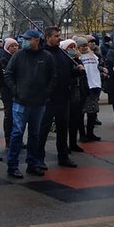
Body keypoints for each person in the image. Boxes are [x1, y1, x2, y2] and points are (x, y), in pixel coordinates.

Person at [4, 29, 56, 178]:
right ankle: (12, 165)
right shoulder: (18, 56)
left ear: (36, 40)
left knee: (35, 134)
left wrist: (46, 92)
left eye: (27, 39)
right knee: (17, 133)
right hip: (20, 101)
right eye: (23, 39)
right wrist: (16, 91)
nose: (24, 41)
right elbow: (8, 74)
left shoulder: (46, 56)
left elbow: (53, 76)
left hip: (39, 102)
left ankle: (32, 163)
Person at [39, 27, 79, 168]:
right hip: (48, 98)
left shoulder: (62, 53)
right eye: (56, 36)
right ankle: (39, 158)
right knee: (43, 128)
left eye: (59, 35)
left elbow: (68, 71)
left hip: (63, 96)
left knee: (63, 128)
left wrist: (77, 72)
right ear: (48, 37)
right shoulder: (42, 54)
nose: (59, 38)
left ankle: (63, 156)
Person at [61, 39, 88, 153]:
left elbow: (83, 75)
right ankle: (63, 145)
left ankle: (73, 143)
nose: (72, 50)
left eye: (73, 47)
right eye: (69, 48)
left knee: (75, 120)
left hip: (77, 93)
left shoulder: (77, 60)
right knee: (64, 122)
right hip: (66, 93)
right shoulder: (62, 61)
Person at [79, 37, 104, 141]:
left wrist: (103, 70)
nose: (85, 47)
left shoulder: (94, 56)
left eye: (86, 45)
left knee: (93, 112)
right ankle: (82, 134)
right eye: (82, 46)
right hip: (85, 87)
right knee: (81, 113)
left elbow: (98, 67)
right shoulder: (78, 58)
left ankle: (90, 133)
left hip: (95, 85)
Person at [0, 38, 19, 147]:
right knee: (9, 115)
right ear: (7, 47)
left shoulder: (19, 57)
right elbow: (6, 76)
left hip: (19, 91)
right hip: (8, 91)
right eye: (12, 46)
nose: (15, 48)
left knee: (18, 117)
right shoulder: (3, 59)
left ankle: (17, 139)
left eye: (16, 46)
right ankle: (8, 140)